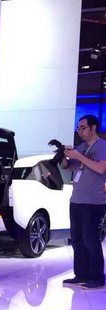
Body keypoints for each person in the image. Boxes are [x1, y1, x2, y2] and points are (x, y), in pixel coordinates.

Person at [60, 114, 106, 290]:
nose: (79, 131)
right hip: (76, 200)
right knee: (77, 239)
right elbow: (68, 168)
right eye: (78, 128)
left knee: (90, 239)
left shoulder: (102, 146)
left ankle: (97, 278)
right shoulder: (81, 147)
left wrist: (78, 156)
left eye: (83, 127)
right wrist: (63, 157)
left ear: (93, 128)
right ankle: (81, 274)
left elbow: (101, 168)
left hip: (93, 202)